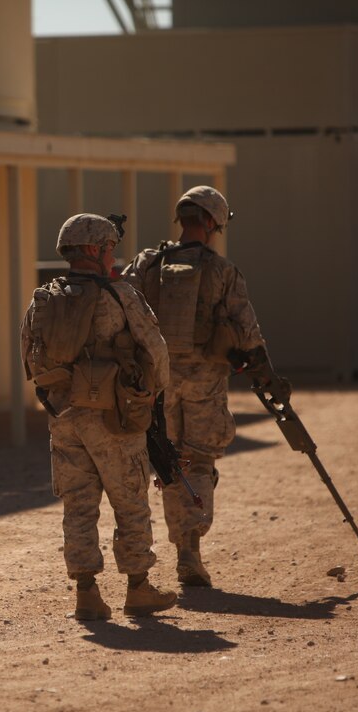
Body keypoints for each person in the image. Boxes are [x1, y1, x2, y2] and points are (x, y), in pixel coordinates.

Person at [21, 213, 175, 620]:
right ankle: (138, 588)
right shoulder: (120, 295)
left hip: (64, 416)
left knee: (78, 505)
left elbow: (27, 355)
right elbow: (156, 351)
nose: (112, 256)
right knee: (130, 499)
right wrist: (151, 395)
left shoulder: (43, 298)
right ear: (93, 250)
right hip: (115, 417)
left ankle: (86, 593)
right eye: (108, 248)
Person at [124, 186, 278, 587]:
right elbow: (247, 329)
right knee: (198, 461)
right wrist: (266, 374)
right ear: (212, 223)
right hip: (204, 382)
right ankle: (189, 553)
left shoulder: (147, 263)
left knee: (169, 462)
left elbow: (123, 312)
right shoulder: (222, 271)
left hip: (157, 383)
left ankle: (176, 550)